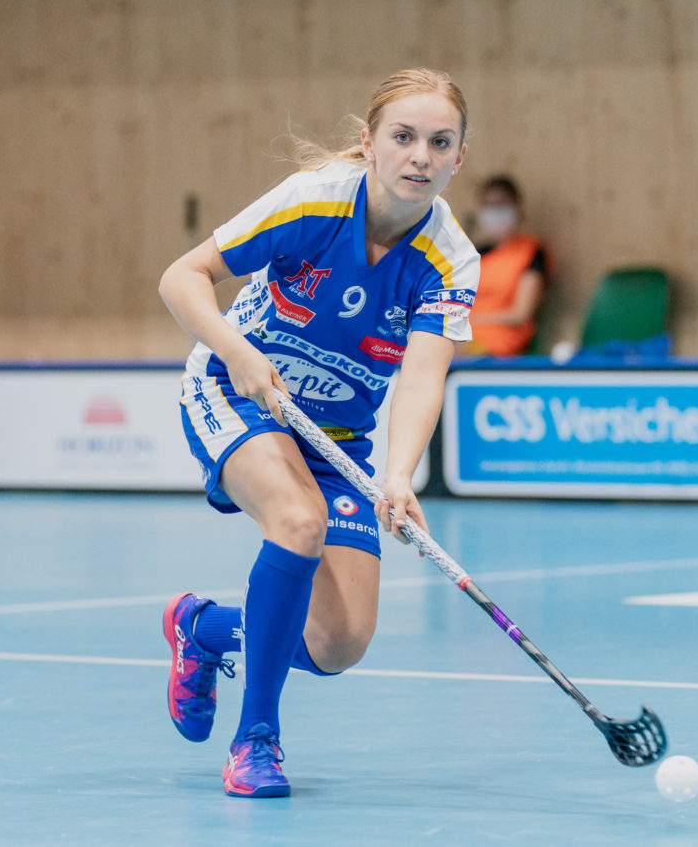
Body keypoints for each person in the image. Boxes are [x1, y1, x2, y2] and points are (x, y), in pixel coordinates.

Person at [157, 68, 479, 798]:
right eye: (402, 137)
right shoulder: (317, 199)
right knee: (297, 522)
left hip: (336, 434)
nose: (419, 156)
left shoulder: (450, 260)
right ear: (369, 143)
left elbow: (425, 374)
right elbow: (183, 276)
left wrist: (399, 475)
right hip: (235, 393)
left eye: (439, 142)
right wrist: (238, 351)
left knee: (337, 643)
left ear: (460, 156)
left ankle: (204, 628)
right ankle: (255, 741)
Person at [466, 176, 549, 356]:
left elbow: (520, 314)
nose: (494, 212)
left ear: (517, 207)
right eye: (488, 206)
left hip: (499, 343)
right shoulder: (474, 254)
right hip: (463, 334)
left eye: (501, 204)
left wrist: (472, 320)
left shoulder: (531, 252)